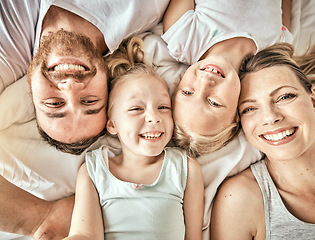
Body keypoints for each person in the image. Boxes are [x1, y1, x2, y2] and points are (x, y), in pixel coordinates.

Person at [0, 1, 169, 239]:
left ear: (31, 89)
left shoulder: (7, 50)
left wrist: (39, 219)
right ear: (108, 83)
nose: (70, 86)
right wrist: (43, 218)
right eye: (90, 101)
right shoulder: (143, 7)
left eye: (54, 103)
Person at [64, 36, 204, 240]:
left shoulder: (185, 168)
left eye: (163, 107)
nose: (154, 117)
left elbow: (194, 237)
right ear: (112, 124)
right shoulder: (94, 171)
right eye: (136, 108)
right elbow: (85, 234)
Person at [211, 42, 315, 239]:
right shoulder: (240, 200)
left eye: (285, 97)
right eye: (249, 109)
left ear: (314, 101)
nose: (270, 117)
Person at [162, 0, 293, 157]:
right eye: (214, 102)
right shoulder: (276, 50)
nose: (204, 82)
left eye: (188, 92)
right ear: (236, 114)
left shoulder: (182, 38)